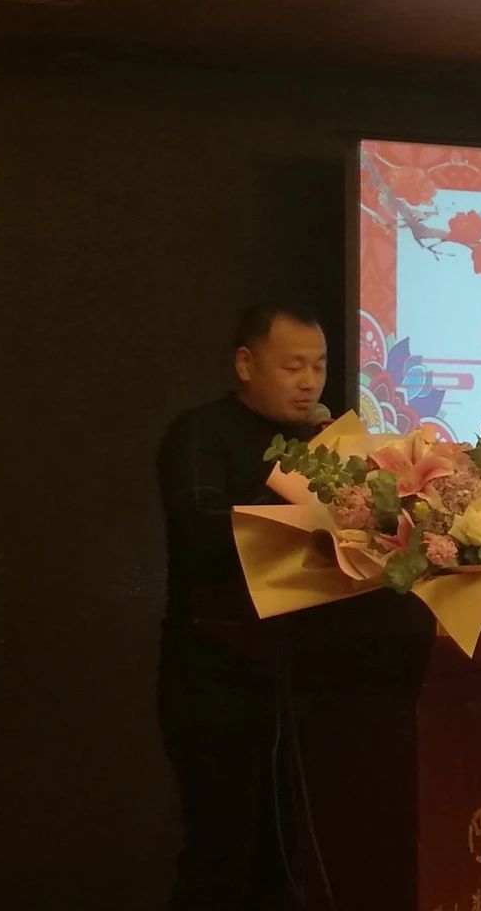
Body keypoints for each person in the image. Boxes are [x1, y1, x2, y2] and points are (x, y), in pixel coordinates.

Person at [157, 303, 329, 910]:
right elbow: (202, 531)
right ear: (245, 364)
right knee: (222, 855)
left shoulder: (327, 444)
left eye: (319, 366)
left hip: (307, 683)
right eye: (292, 366)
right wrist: (300, 498)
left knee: (293, 864)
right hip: (215, 681)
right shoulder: (201, 433)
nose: (309, 382)